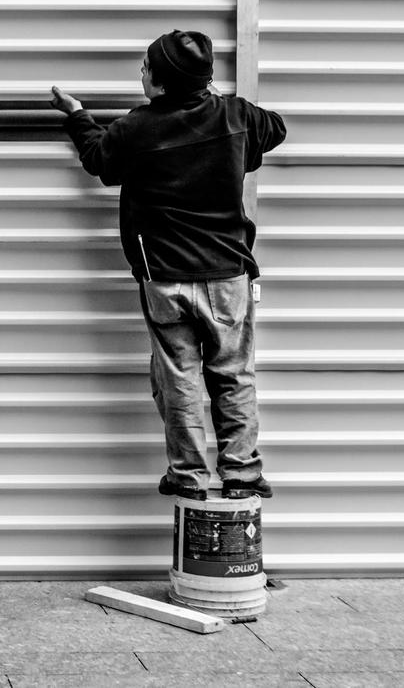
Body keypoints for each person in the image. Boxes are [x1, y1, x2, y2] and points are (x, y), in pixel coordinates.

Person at [49, 30, 286, 502]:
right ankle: (240, 475)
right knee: (233, 376)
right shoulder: (235, 117)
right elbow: (273, 128)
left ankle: (189, 478)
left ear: (158, 83)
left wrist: (76, 115)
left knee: (178, 379)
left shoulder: (138, 128)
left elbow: (100, 160)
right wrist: (215, 99)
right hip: (227, 276)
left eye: (145, 67)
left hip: (165, 278)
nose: (140, 73)